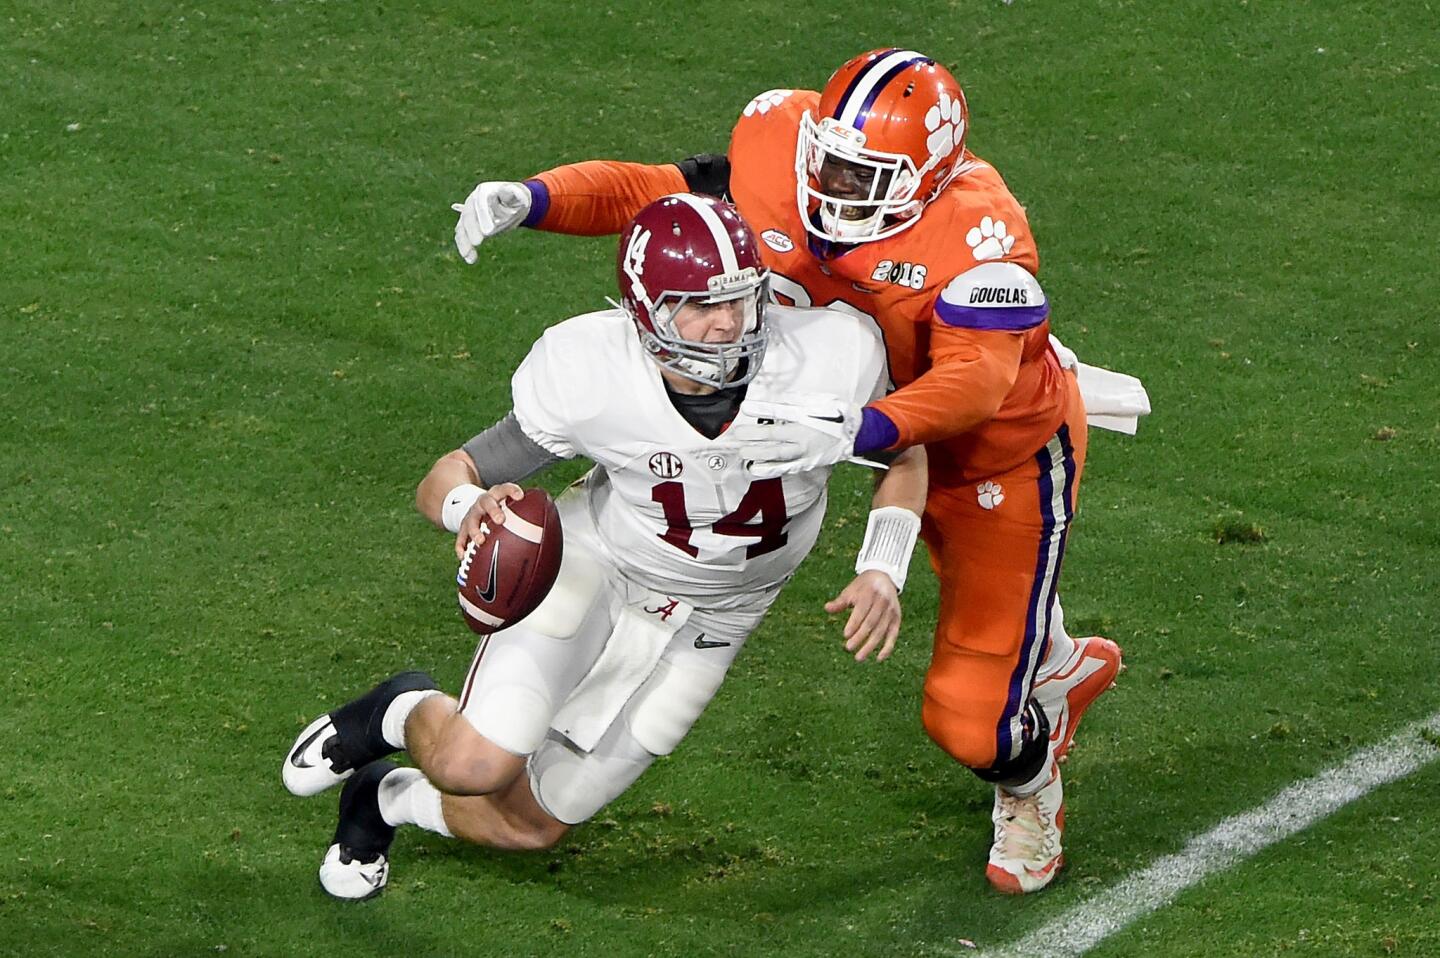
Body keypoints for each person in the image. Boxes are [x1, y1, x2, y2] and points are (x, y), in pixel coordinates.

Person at [448, 48, 1130, 894]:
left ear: (933, 175)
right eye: (831, 161)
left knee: (970, 725)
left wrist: (860, 428)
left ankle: (1030, 772)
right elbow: (657, 192)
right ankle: (1045, 653)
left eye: (863, 175)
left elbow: (972, 386)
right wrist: (536, 198)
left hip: (991, 455)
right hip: (841, 420)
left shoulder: (979, 235)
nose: (835, 187)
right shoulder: (777, 143)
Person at [282, 193, 928, 899]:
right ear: (645, 311)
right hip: (600, 565)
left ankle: (383, 800)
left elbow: (904, 447)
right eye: (699, 305)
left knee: (529, 826)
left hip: (719, 619)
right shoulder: (592, 370)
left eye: (740, 299)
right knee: (475, 766)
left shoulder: (831, 355)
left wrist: (882, 565)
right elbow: (450, 475)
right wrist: (468, 508)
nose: (728, 323)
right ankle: (397, 709)